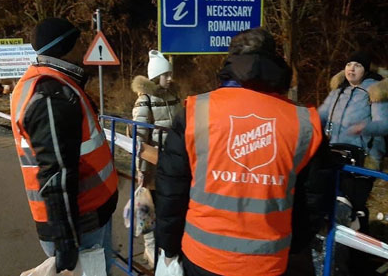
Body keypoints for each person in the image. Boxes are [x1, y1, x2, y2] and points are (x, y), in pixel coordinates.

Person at [155, 28, 334, 276]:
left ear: (231, 60)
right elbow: (313, 200)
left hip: (203, 257)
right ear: (274, 60)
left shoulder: (196, 112)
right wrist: (293, 245)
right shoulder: (305, 123)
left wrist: (168, 246)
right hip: (268, 262)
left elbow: (171, 190)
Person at [10, 18, 119, 274]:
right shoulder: (51, 94)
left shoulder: (50, 84)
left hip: (85, 219)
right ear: (66, 46)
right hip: (81, 226)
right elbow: (56, 174)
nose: (84, 46)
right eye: (79, 41)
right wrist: (66, 243)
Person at [318, 51, 388, 275]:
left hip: (362, 160)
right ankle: (340, 257)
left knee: (355, 209)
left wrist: (363, 128)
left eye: (357, 65)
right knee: (337, 207)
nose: (352, 69)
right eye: (349, 64)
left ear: (365, 70)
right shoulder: (338, 91)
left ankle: (360, 260)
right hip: (334, 156)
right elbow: (319, 116)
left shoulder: (374, 92)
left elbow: (384, 124)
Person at [131, 49, 182, 267]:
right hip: (152, 165)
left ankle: (165, 248)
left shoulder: (173, 96)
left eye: (170, 74)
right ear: (155, 76)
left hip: (171, 160)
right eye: (165, 74)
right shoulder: (145, 100)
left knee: (167, 207)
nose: (170, 78)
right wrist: (141, 170)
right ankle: (150, 247)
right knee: (148, 206)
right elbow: (139, 139)